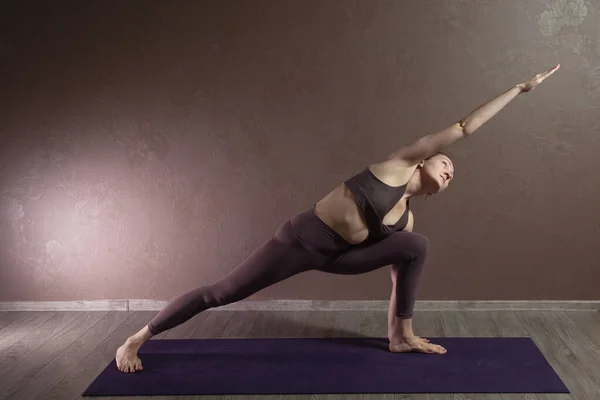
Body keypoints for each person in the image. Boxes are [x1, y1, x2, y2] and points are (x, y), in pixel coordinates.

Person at [116, 64, 560, 373]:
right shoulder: (398, 163)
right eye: (446, 164)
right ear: (425, 161)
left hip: (339, 257)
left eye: (453, 176)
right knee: (222, 293)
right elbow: (464, 128)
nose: (450, 172)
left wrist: (400, 319)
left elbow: (395, 272)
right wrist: (520, 90)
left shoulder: (404, 221)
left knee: (415, 246)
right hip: (299, 242)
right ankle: (139, 336)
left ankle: (400, 336)